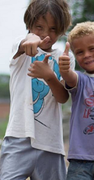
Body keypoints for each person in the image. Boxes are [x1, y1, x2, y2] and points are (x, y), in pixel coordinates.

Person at [0, 0, 75, 179]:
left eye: (53, 29)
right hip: (18, 137)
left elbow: (63, 98)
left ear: (62, 30)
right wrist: (31, 38)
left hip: (50, 144)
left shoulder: (64, 56)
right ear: (29, 24)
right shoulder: (21, 50)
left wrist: (50, 77)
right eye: (39, 27)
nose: (45, 35)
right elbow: (24, 43)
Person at [59, 21, 94, 180]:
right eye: (80, 52)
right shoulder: (82, 81)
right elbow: (70, 78)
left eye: (92, 49)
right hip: (81, 160)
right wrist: (65, 70)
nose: (86, 54)